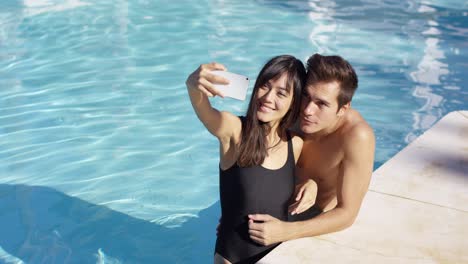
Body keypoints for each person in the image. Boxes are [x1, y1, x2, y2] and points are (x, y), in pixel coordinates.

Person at [186, 55, 307, 264]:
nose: (268, 97)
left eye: (281, 93)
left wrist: (311, 183)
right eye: (264, 86)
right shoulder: (235, 131)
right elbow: (205, 112)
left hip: (278, 257)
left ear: (293, 103)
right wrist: (193, 85)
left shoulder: (295, 144)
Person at [247, 54, 376, 246]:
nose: (307, 110)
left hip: (311, 217)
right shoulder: (290, 111)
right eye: (306, 96)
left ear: (343, 108)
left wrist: (286, 231)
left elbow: (347, 213)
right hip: (270, 204)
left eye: (322, 104)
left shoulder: (355, 136)